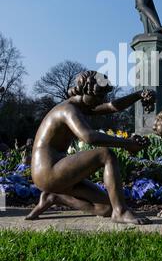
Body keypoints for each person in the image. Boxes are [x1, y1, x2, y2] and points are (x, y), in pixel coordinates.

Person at [26, 71, 155, 224]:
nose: (101, 100)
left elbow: (112, 106)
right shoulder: (68, 110)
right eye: (99, 95)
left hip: (59, 170)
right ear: (85, 90)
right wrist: (127, 144)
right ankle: (121, 212)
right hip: (47, 171)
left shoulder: (82, 106)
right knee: (106, 154)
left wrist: (139, 95)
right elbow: (89, 137)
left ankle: (53, 197)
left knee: (106, 208)